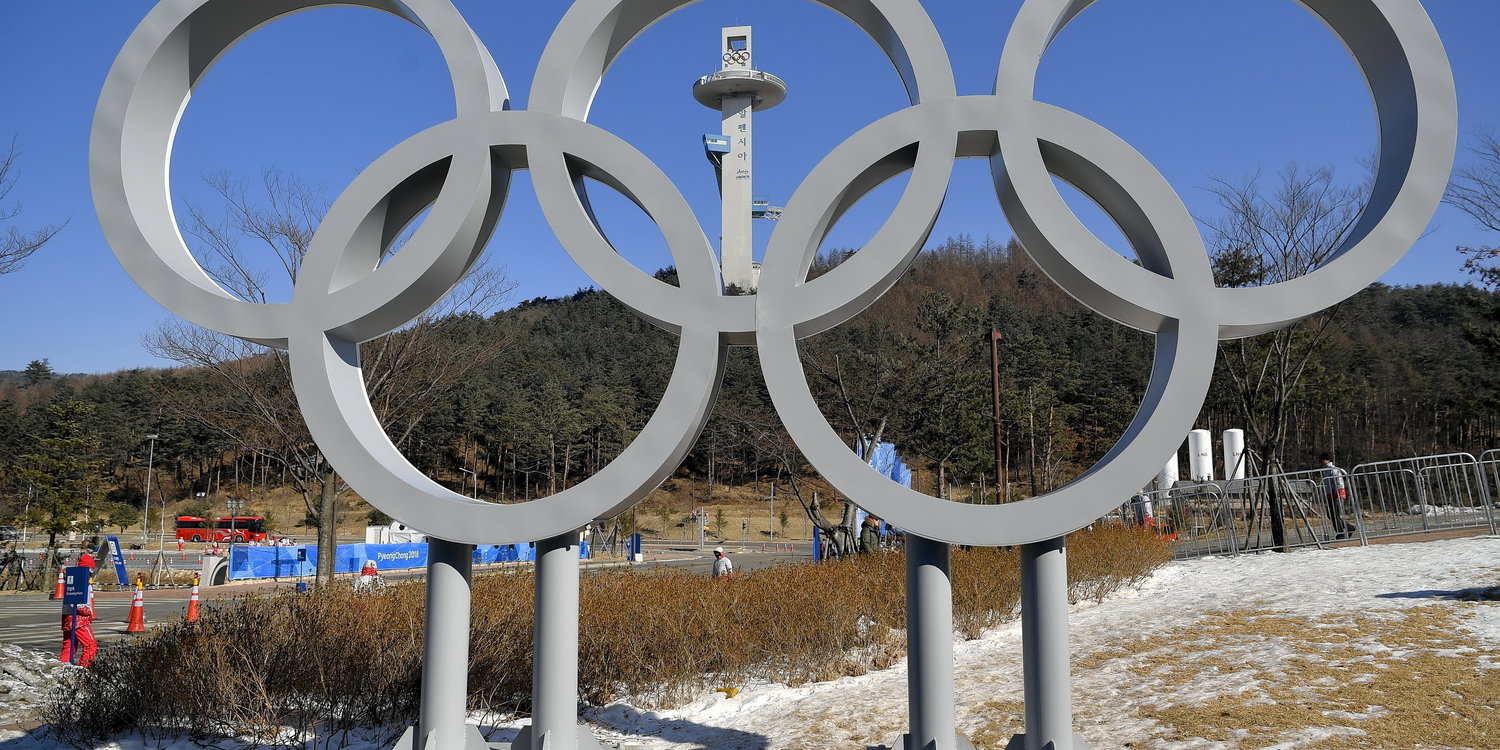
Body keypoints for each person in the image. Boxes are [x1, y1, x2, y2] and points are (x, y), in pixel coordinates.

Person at [1318, 453, 1356, 539]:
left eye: (1322, 460)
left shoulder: (1333, 469)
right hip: (1330, 494)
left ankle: (1341, 532)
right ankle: (1349, 528)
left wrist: (1337, 492)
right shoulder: (1325, 470)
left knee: (1335, 514)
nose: (1320, 462)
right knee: (1331, 515)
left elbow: (1338, 482)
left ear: (1327, 460)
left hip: (1336, 494)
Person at [59, 601, 97, 667]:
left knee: (69, 646)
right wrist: (87, 610)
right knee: (90, 645)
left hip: (68, 616)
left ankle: (62, 667)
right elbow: (76, 598)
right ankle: (83, 669)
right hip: (78, 618)